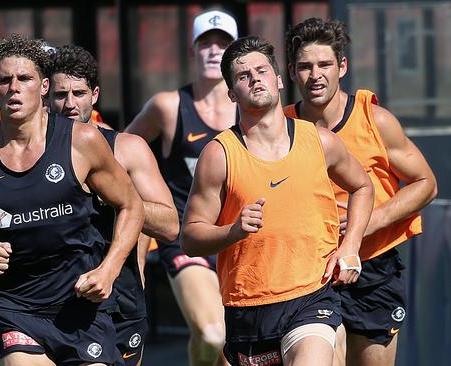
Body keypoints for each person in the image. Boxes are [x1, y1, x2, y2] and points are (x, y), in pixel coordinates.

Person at [0, 34, 145, 366]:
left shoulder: (83, 141)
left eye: (25, 78)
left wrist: (108, 270)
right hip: (14, 307)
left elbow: (132, 206)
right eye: (5, 80)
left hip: (80, 306)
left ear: (44, 86)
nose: (14, 88)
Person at [180, 35, 375, 366]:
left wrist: (351, 246)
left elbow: (363, 187)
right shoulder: (220, 154)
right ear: (231, 92)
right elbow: (190, 237)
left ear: (279, 78)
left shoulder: (320, 141)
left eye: (262, 70)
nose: (256, 78)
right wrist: (234, 231)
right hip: (248, 309)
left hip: (311, 298)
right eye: (244, 75)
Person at [284, 17, 438, 366]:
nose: (316, 75)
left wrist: (368, 220)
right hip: (309, 273)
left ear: (342, 66)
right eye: (305, 67)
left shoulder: (375, 120)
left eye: (325, 64)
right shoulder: (281, 127)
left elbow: (425, 183)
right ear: (292, 72)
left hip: (373, 269)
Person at [49, 44, 179, 365]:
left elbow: (170, 224)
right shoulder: (29, 156)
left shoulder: (126, 148)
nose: (69, 104)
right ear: (45, 96)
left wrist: (119, 200)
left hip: (120, 297)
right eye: (60, 94)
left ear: (94, 95)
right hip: (52, 301)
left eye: (78, 93)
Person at [125, 9, 238, 365]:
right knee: (212, 333)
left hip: (239, 238)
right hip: (186, 240)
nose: (214, 51)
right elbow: (116, 153)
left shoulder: (253, 110)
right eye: (205, 43)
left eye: (223, 44)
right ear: (192, 50)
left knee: (232, 349)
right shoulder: (168, 106)